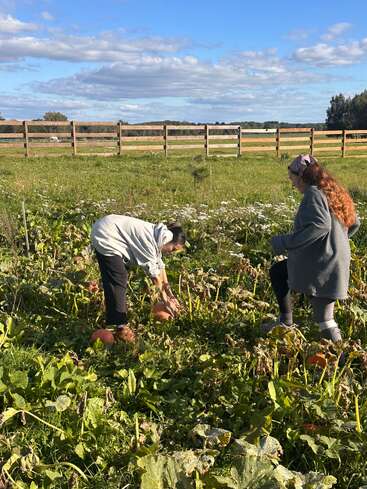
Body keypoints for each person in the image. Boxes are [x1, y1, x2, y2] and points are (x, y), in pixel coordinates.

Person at [263, 154, 360, 342]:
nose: (292, 184)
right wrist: (338, 243)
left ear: (301, 176)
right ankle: (285, 323)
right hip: (329, 259)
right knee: (279, 271)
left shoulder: (314, 194)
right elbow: (355, 223)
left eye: (292, 179)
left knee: (324, 319)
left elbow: (320, 226)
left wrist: (283, 242)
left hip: (323, 264)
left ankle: (341, 361)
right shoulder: (333, 191)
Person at [91, 215, 187, 342]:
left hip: (108, 229)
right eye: (173, 249)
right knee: (118, 278)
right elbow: (154, 276)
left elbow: (160, 267)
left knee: (116, 276)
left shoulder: (157, 238)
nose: (171, 252)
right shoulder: (149, 240)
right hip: (105, 233)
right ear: (169, 240)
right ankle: (118, 326)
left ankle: (116, 323)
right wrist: (165, 301)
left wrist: (170, 294)